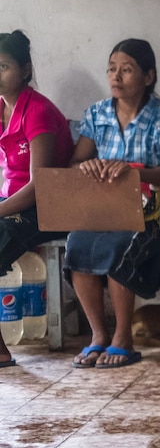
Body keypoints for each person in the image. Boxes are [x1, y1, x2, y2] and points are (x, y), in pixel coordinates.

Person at [66, 38, 160, 369]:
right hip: (105, 211)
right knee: (76, 244)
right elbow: (75, 163)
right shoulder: (96, 114)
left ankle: (123, 338)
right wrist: (86, 165)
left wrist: (135, 171)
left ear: (148, 77)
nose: (116, 76)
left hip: (156, 214)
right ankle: (98, 336)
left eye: (127, 69)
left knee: (120, 245)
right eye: (111, 69)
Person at [0, 30, 76, 367]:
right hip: (15, 203)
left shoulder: (38, 112)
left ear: (26, 70)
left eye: (3, 67)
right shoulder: (1, 107)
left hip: (48, 208)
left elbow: (39, 186)